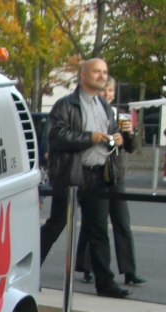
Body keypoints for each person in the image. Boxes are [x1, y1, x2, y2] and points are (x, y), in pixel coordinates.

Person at [39, 58, 130, 298]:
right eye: (97, 71)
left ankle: (105, 283)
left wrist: (118, 138)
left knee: (98, 230)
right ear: (83, 75)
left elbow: (113, 133)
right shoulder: (66, 105)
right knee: (56, 225)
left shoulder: (105, 106)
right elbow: (56, 136)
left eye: (105, 72)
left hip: (99, 175)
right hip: (72, 175)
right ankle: (27, 271)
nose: (102, 76)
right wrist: (90, 138)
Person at [76, 78, 144, 285]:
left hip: (115, 174)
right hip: (94, 173)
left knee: (122, 222)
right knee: (94, 223)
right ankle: (88, 267)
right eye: (105, 90)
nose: (108, 94)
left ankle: (129, 271)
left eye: (111, 90)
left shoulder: (120, 114)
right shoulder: (88, 112)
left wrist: (129, 133)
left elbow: (131, 147)